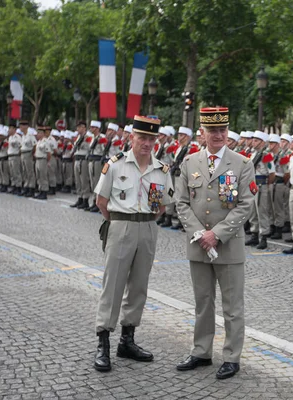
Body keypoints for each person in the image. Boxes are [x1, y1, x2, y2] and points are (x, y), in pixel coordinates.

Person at [174, 107, 256, 380]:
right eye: (213, 131)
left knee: (232, 306)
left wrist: (217, 234)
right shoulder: (189, 163)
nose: (218, 135)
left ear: (228, 132)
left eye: (222, 130)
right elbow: (182, 203)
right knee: (202, 302)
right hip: (199, 245)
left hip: (228, 246)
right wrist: (201, 234)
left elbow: (245, 205)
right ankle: (201, 351)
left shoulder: (242, 164)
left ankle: (231, 356)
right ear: (203, 133)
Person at [92, 115, 174, 372]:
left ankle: (127, 340)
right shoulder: (115, 165)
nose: (147, 143)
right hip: (121, 226)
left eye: (152, 138)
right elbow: (101, 202)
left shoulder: (161, 170)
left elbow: (160, 206)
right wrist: (120, 222)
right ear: (131, 138)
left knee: (139, 285)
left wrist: (143, 221)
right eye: (142, 138)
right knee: (113, 284)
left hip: (148, 227)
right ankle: (103, 342)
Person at [70, 121, 93, 209]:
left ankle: (85, 199)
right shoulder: (78, 137)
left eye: (80, 127)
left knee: (84, 180)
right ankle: (80, 198)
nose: (78, 129)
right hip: (77, 158)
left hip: (83, 159)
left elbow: (89, 147)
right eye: (77, 127)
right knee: (78, 180)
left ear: (84, 128)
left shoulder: (88, 137)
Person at [7, 121, 23, 195]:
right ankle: (13, 185)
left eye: (10, 128)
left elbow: (20, 147)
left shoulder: (18, 137)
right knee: (12, 172)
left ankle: (18, 187)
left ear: (14, 129)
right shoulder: (10, 137)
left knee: (16, 172)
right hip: (10, 156)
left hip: (15, 156)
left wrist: (18, 155)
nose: (9, 130)